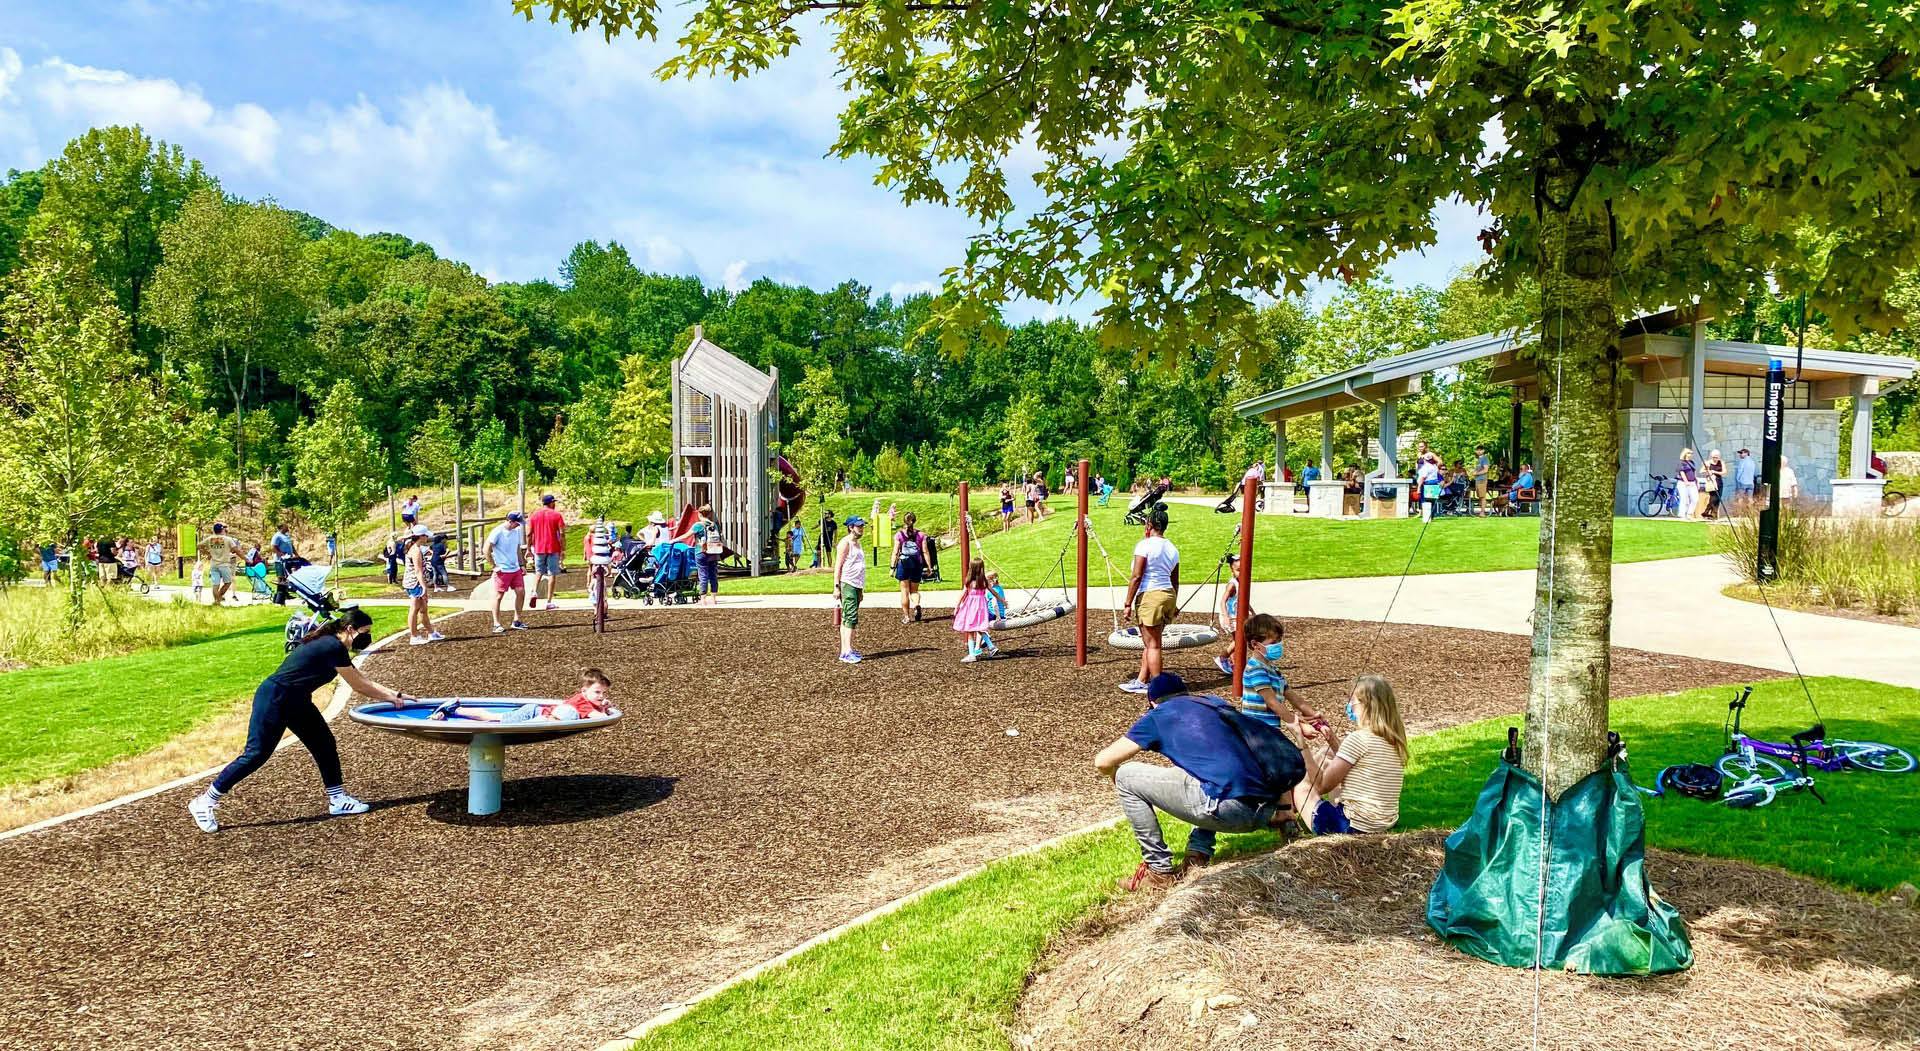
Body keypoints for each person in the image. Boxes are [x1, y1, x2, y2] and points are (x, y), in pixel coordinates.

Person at [188, 607, 409, 833]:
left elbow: (361, 678)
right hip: (276, 698)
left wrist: (396, 695)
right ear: (350, 629)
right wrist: (392, 697)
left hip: (297, 700)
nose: (367, 636)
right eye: (365, 631)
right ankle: (204, 801)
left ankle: (338, 800)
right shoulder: (332, 646)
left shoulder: (333, 644)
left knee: (324, 744)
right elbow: (359, 685)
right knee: (256, 754)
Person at [1094, 674, 1303, 890]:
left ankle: (1158, 872)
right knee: (1201, 772)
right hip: (1267, 810)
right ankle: (1198, 855)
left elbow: (1102, 761)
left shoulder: (1157, 716)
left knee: (1126, 775)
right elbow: (1261, 753)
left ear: (1153, 703)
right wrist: (1285, 809)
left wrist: (1114, 777)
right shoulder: (1214, 704)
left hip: (1229, 811)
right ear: (1185, 693)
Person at [1291, 675, 1408, 835]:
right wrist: (1331, 737)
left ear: (1367, 705)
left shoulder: (1358, 739)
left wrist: (1301, 743)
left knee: (1303, 785)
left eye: (1353, 702)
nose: (1350, 706)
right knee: (1328, 762)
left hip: (1350, 827)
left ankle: (1289, 820)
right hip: (1381, 825)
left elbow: (1321, 785)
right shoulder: (1395, 741)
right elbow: (1353, 761)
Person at [1119, 506, 1179, 695]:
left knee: (1153, 645)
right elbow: (1175, 580)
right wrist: (1174, 603)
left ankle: (1158, 690)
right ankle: (1141, 680)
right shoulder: (1172, 548)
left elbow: (1137, 576)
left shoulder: (1144, 545)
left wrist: (1128, 603)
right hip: (1167, 594)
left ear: (1150, 524)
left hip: (1150, 596)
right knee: (1152, 642)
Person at [431, 668, 615, 724]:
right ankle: (455, 710)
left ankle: (455, 709)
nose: (600, 696)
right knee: (495, 721)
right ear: (584, 691)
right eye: (597, 692)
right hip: (534, 714)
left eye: (603, 693)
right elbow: (599, 717)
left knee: (495, 717)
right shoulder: (582, 703)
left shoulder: (586, 701)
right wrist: (605, 710)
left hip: (536, 712)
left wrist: (602, 705)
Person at [1236, 614, 1322, 728]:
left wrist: (1315, 715)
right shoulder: (1256, 669)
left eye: (1279, 640)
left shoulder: (1273, 669)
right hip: (1257, 730)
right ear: (1255, 644)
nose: (1278, 645)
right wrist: (1295, 723)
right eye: (1273, 642)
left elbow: (1293, 697)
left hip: (1271, 729)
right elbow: (1272, 702)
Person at [486, 511, 529, 633]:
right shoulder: (497, 532)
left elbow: (517, 549)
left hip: (515, 568)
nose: (519, 525)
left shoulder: (516, 533)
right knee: (498, 595)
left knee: (520, 592)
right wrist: (494, 566)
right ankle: (496, 623)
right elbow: (486, 549)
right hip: (503, 570)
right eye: (517, 523)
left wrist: (521, 564)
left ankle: (517, 620)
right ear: (510, 521)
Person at [833, 514, 868, 663]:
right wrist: (836, 587)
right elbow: (838, 566)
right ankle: (846, 651)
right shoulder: (845, 543)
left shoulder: (857, 544)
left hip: (856, 584)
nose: (861, 528)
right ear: (850, 527)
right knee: (850, 617)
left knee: (849, 617)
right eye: (858, 526)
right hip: (848, 583)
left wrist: (861, 589)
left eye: (862, 526)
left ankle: (846, 650)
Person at [401, 525, 442, 645]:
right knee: (415, 609)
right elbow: (418, 571)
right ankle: (414, 636)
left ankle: (431, 633)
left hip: (414, 582)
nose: (427, 538)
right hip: (415, 584)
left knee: (423, 609)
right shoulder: (416, 550)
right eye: (425, 535)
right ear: (421, 536)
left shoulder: (415, 548)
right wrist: (424, 587)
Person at [952, 558, 997, 662]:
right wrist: (1002, 600)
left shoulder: (970, 582)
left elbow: (963, 594)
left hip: (971, 608)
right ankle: (991, 647)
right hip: (981, 608)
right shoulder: (983, 582)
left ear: (971, 568)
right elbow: (993, 592)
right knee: (979, 628)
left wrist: (957, 606)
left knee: (970, 630)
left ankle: (972, 654)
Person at [528, 494, 566, 611]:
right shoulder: (557, 515)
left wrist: (529, 549)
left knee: (538, 571)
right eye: (553, 502)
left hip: (539, 548)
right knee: (552, 573)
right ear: (551, 503)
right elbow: (562, 533)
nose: (555, 504)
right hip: (553, 547)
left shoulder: (534, 516)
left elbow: (529, 533)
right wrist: (563, 548)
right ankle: (549, 601)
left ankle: (534, 591)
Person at [892, 511, 928, 622]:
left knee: (904, 591)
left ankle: (907, 617)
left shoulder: (899, 535)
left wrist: (892, 567)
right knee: (914, 591)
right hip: (917, 564)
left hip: (903, 564)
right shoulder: (921, 535)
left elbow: (895, 552)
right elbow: (925, 552)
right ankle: (916, 605)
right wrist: (929, 567)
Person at [200, 522, 241, 605]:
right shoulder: (227, 539)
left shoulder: (210, 539)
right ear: (222, 530)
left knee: (215, 584)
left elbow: (199, 546)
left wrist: (208, 552)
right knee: (228, 582)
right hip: (224, 564)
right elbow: (237, 550)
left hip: (214, 564)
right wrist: (246, 559)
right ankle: (218, 598)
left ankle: (216, 602)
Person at [1213, 554, 1240, 676]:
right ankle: (1222, 657)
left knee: (1237, 640)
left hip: (1235, 616)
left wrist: (1252, 611)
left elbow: (1243, 599)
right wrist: (1226, 616)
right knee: (1240, 639)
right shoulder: (1233, 584)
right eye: (1237, 570)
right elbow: (1222, 601)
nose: (1240, 573)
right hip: (1230, 616)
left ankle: (1234, 664)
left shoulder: (1241, 582)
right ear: (1232, 570)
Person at [1415, 456, 1442, 523]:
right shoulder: (1434, 466)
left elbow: (1423, 478)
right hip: (1435, 484)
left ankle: (1426, 517)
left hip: (1427, 485)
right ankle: (1431, 517)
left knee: (1426, 501)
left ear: (1425, 460)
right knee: (1433, 501)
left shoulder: (1426, 467)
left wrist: (1418, 488)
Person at [1675, 448, 1699, 521]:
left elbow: (1694, 472)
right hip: (1683, 483)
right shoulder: (1682, 462)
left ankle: (1689, 513)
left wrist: (1696, 481)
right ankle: (1682, 514)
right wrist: (1686, 482)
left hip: (1692, 482)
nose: (1690, 455)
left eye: (1691, 453)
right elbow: (1682, 472)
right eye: (1689, 453)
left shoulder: (1692, 462)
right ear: (1685, 454)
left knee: (1695, 498)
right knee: (1684, 499)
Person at [1701, 450, 1726, 519]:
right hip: (1711, 482)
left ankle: (1713, 514)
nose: (1715, 459)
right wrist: (1708, 471)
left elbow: (1724, 472)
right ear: (1711, 457)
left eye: (1717, 457)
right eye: (1714, 457)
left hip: (1719, 481)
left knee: (1718, 498)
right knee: (1713, 498)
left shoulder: (1721, 462)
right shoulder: (1708, 463)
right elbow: (1701, 471)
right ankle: (1706, 512)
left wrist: (1714, 471)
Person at [1473, 445, 1491, 516]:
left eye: (1480, 450)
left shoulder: (1485, 458)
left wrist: (1476, 473)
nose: (1479, 451)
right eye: (1477, 450)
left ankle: (1482, 512)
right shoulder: (1479, 459)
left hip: (1482, 479)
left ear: (1483, 451)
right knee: (1480, 496)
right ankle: (1481, 511)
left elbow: (1486, 470)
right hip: (1478, 480)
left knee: (1483, 496)